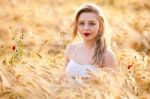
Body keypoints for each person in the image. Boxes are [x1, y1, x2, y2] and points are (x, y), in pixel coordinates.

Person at [64, 3, 117, 77]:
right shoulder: (71, 49)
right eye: (81, 23)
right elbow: (62, 80)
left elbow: (112, 87)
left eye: (92, 24)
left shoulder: (107, 56)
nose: (86, 28)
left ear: (100, 26)